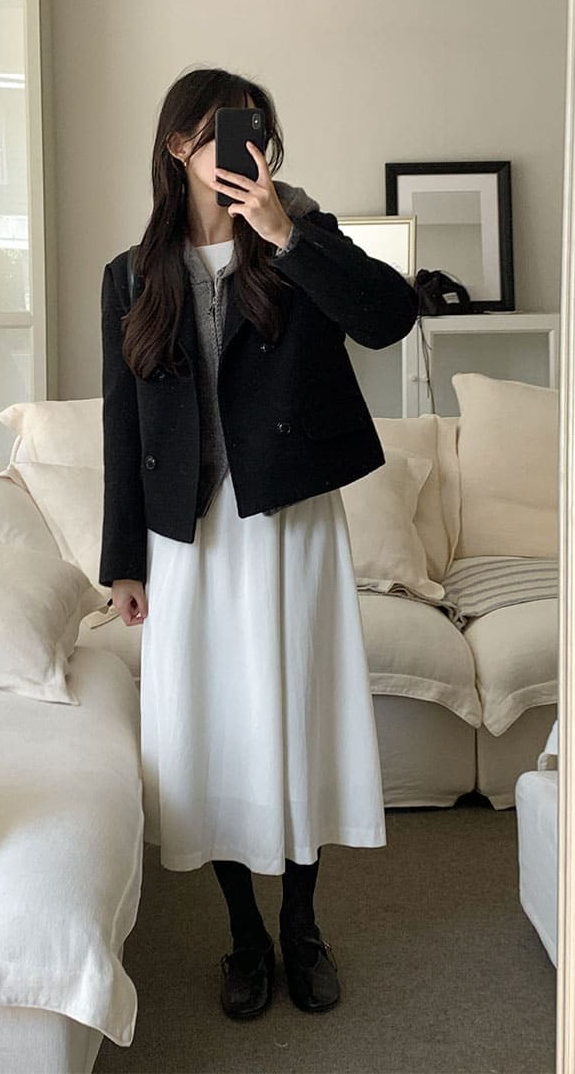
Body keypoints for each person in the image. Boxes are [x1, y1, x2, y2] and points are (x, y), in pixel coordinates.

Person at [99, 67, 419, 1020]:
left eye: (252, 133)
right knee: (213, 733)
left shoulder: (299, 236)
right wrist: (123, 561)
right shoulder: (131, 274)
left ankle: (303, 928)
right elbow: (122, 423)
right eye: (214, 132)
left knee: (298, 715)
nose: (238, 149)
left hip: (288, 520)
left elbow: (390, 318)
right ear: (177, 146)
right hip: (188, 535)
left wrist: (286, 232)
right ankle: (244, 934)